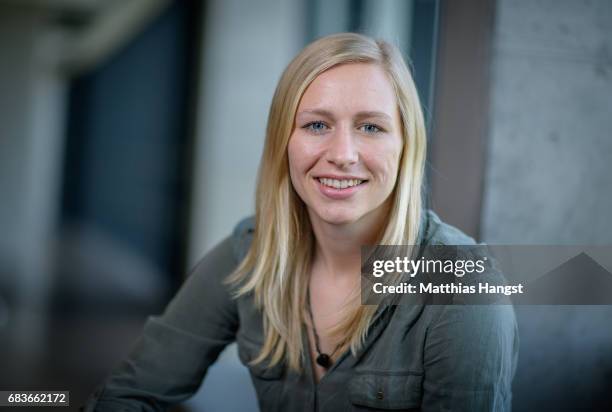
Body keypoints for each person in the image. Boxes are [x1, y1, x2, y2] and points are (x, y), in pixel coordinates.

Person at [84, 32, 518, 411]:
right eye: (316, 125)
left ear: (406, 147)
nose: (343, 153)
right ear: (283, 142)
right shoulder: (249, 254)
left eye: (370, 127)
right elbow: (131, 392)